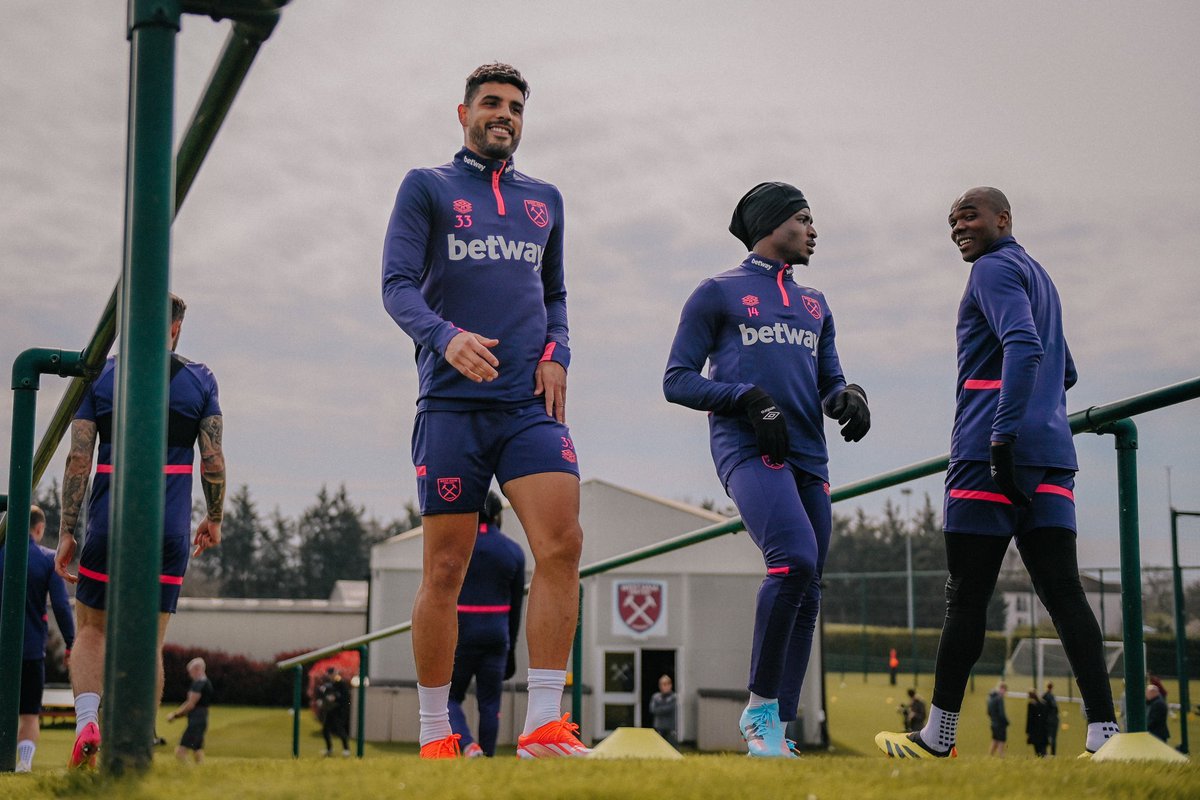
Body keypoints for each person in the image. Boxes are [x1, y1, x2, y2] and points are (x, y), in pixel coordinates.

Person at [381, 63, 587, 760]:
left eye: (516, 107)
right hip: (451, 406)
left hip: (530, 407)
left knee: (563, 546)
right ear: (463, 112)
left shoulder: (547, 200)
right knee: (445, 569)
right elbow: (397, 286)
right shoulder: (428, 186)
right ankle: (437, 733)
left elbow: (555, 294)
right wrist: (446, 336)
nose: (505, 114)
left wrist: (558, 350)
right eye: (492, 104)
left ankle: (543, 726)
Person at [875, 188, 1119, 760]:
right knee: (1064, 594)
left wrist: (1003, 435)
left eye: (970, 216)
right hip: (1054, 456)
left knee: (966, 598)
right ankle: (1105, 734)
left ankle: (938, 736)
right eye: (952, 220)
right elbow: (1067, 368)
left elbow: (1024, 347)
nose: (959, 227)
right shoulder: (1040, 275)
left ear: (1003, 219)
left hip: (990, 452)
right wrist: (1036, 421)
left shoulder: (990, 269)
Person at [664, 182, 871, 758]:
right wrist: (747, 398)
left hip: (811, 456)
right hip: (748, 449)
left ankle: (777, 731)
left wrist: (847, 397)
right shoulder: (717, 293)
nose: (813, 230)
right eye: (803, 219)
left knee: (808, 588)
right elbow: (676, 379)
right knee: (793, 561)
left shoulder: (816, 304)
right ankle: (759, 712)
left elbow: (829, 383)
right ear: (771, 224)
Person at [55, 293, 225, 768]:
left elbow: (78, 460)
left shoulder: (101, 376)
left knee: (91, 629)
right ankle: (133, 743)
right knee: (149, 638)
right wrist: (214, 518)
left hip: (110, 522)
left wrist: (68, 529)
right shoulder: (200, 379)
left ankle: (88, 719)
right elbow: (212, 459)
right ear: (175, 330)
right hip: (168, 529)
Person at [448, 491, 526, 757]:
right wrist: (511, 649)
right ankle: (488, 760)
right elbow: (516, 609)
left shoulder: (457, 548)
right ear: (497, 516)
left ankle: (468, 745)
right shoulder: (513, 552)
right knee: (490, 704)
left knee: (448, 698)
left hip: (462, 635)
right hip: (497, 635)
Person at [0, 505, 76, 772]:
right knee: (30, 714)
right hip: (30, 649)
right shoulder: (46, 559)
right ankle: (23, 763)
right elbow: (61, 606)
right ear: (40, 528)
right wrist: (71, 643)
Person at [166, 657, 213, 763]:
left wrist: (175, 715)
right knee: (197, 749)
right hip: (203, 718)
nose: (190, 675)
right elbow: (189, 702)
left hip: (196, 719)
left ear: (197, 669)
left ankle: (187, 772)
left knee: (180, 750)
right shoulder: (207, 683)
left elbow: (190, 704)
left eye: (191, 672)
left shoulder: (198, 684)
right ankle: (200, 772)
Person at [316, 666, 351, 757]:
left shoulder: (341, 683)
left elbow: (346, 697)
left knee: (339, 729)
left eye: (332, 674)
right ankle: (329, 749)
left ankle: (346, 749)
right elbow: (321, 692)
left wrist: (336, 698)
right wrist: (321, 700)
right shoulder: (329, 684)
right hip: (330, 709)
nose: (330, 676)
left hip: (339, 709)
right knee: (325, 730)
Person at [649, 674, 678, 747]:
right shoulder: (655, 697)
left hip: (670, 728)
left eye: (666, 684)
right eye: (662, 684)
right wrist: (663, 709)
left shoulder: (674, 697)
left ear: (670, 685)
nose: (664, 687)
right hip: (659, 727)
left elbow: (670, 708)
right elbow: (652, 709)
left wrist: (660, 709)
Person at [987, 682, 1009, 757]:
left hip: (993, 723)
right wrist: (1006, 722)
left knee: (995, 741)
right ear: (1002, 689)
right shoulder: (1000, 699)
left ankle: (989, 758)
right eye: (1005, 690)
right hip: (1000, 724)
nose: (1005, 692)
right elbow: (1001, 714)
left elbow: (988, 712)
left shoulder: (991, 698)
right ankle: (1002, 759)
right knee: (1001, 743)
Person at [1025, 688, 1048, 757]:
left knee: (1037, 749)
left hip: (1034, 730)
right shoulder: (1043, 704)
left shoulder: (1031, 705)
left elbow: (1029, 719)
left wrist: (1027, 731)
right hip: (1043, 730)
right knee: (1043, 748)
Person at [1042, 680, 1059, 756]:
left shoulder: (1044, 696)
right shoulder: (1052, 697)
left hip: (1047, 720)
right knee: (1053, 738)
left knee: (1045, 737)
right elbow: (1056, 709)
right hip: (1054, 720)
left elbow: (1042, 708)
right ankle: (1053, 754)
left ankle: (1044, 753)